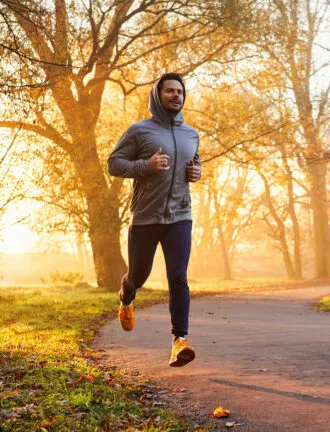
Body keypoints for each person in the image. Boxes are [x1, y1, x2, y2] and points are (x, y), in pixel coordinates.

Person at [107, 72, 201, 367]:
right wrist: (146, 166)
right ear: (157, 95)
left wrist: (197, 173)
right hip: (146, 217)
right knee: (138, 276)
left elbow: (195, 163)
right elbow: (114, 164)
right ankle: (126, 297)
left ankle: (179, 341)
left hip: (180, 216)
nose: (176, 96)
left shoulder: (191, 134)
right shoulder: (140, 131)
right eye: (170, 91)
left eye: (180, 92)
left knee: (178, 277)